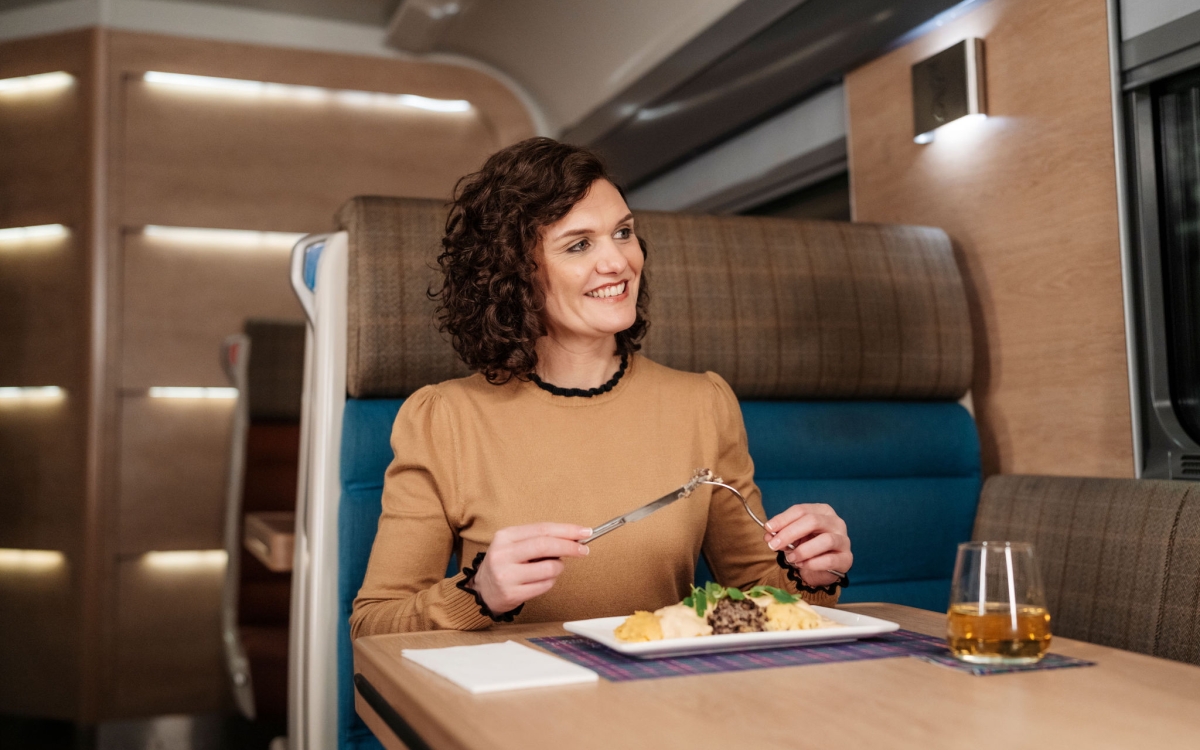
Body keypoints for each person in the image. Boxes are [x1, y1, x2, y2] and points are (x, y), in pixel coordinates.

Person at [350, 138, 853, 637]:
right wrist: (478, 592)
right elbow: (373, 625)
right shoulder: (442, 418)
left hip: (659, 698)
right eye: (579, 244)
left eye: (624, 232)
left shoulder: (703, 403)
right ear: (514, 275)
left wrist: (814, 572)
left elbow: (760, 598)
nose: (618, 262)